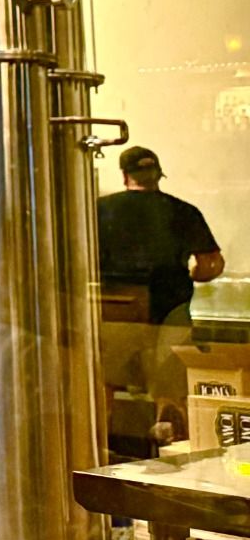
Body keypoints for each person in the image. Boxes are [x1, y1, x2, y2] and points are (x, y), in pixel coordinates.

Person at [99, 146, 225, 442]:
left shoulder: (98, 210)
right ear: (157, 174)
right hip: (170, 309)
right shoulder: (182, 210)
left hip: (117, 311)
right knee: (170, 390)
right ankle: (170, 449)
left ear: (124, 175)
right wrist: (194, 275)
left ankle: (98, 446)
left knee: (104, 383)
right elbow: (211, 264)